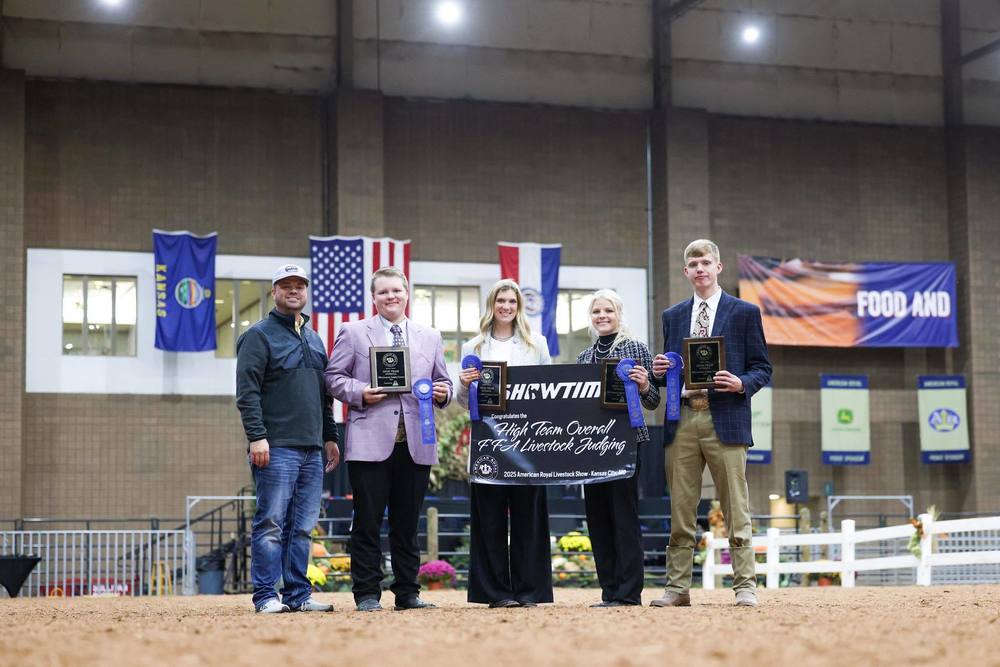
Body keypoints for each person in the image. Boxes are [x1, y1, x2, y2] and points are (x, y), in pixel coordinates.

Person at [650, 239, 772, 608]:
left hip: (727, 417)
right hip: (683, 418)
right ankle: (677, 588)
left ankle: (745, 586)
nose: (700, 269)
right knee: (681, 508)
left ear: (718, 267)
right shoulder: (673, 316)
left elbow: (762, 368)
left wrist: (741, 383)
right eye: (693, 264)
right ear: (685, 271)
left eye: (706, 262)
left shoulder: (744, 312)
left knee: (736, 506)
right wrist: (659, 372)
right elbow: (668, 374)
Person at [325, 266, 452, 612]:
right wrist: (361, 392)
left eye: (396, 290)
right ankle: (367, 593)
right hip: (369, 441)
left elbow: (444, 382)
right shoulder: (353, 332)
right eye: (383, 292)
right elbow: (333, 378)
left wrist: (442, 393)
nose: (391, 296)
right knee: (367, 522)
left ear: (406, 294)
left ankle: (408, 593)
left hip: (416, 442)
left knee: (407, 523)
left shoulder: (430, 336)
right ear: (373, 297)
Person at [236, 263, 341, 614]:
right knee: (270, 524)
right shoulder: (258, 336)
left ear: (306, 292)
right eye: (286, 285)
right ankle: (266, 596)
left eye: (299, 285)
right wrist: (257, 437)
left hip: (312, 448)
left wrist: (330, 436)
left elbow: (324, 396)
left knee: (302, 528)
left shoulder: (314, 339)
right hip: (276, 446)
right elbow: (247, 393)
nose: (294, 290)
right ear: (274, 292)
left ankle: (298, 595)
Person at [457, 279, 553, 609]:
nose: (506, 307)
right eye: (501, 301)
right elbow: (462, 402)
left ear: (519, 306)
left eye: (512, 301)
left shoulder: (537, 344)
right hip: (488, 443)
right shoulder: (472, 347)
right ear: (491, 305)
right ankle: (495, 592)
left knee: (530, 518)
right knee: (490, 519)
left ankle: (529, 591)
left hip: (530, 443)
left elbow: (548, 391)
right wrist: (463, 384)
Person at [576, 289, 660, 607]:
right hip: (591, 446)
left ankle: (628, 592)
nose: (602, 316)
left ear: (619, 314)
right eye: (597, 311)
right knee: (598, 519)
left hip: (626, 442)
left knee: (624, 517)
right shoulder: (583, 357)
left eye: (608, 310)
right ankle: (609, 590)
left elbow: (653, 401)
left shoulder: (636, 348)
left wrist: (644, 385)